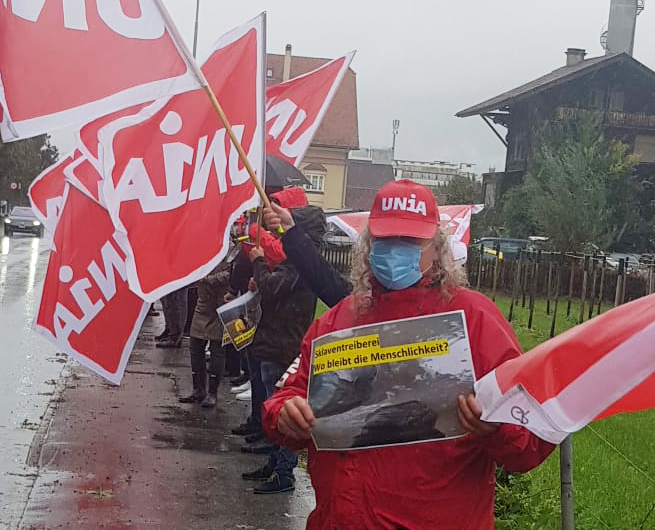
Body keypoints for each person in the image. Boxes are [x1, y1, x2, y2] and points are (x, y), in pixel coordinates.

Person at [262, 180, 555, 529]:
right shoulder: (337, 320)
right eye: (386, 239)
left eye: (410, 240)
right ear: (368, 246)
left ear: (437, 245)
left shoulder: (475, 320)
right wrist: (285, 413)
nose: (395, 250)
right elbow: (288, 393)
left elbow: (532, 438)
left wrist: (495, 428)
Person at [241, 201, 326, 494]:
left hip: (284, 344)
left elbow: (274, 288)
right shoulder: (298, 259)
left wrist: (260, 262)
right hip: (276, 339)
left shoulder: (303, 262)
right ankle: (275, 462)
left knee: (284, 411)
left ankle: (284, 472)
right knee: (272, 407)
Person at [178, 257, 230, 408]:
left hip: (220, 304)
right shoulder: (202, 248)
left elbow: (229, 274)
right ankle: (198, 389)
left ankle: (212, 392)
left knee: (217, 350)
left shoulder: (229, 248)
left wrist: (205, 278)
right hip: (202, 304)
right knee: (195, 347)